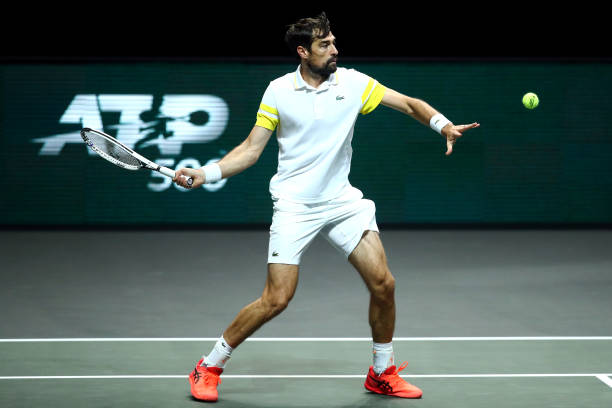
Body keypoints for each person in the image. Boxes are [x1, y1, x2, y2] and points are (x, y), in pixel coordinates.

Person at [173, 11, 479, 402]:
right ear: (303, 51)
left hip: (341, 201)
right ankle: (208, 365)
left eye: (333, 41)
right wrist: (207, 173)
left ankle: (381, 372)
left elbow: (407, 104)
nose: (335, 48)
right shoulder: (278, 91)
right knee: (277, 299)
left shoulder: (353, 83)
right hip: (295, 205)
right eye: (324, 44)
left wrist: (443, 125)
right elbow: (250, 150)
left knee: (384, 284)